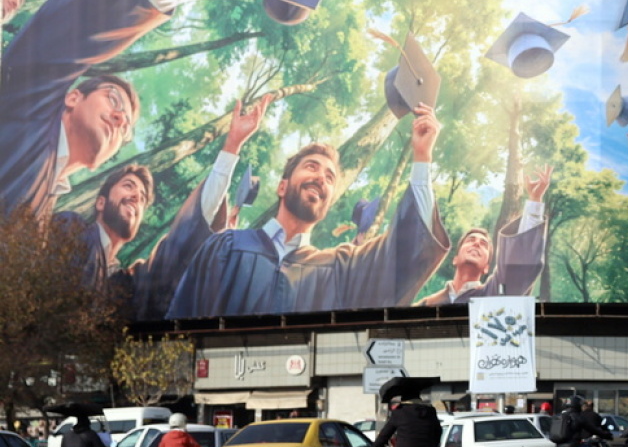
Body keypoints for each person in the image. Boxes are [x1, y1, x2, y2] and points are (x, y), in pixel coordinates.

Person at [0, 0, 271, 228]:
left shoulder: (41, 222)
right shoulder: (26, 104)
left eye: (126, 129)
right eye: (113, 100)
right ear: (72, 97)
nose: (119, 119)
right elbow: (83, 19)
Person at [166, 104, 452, 318]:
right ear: (282, 186)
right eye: (311, 167)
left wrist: (422, 158)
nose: (320, 178)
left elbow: (405, 253)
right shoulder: (225, 247)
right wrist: (231, 146)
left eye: (330, 177)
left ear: (326, 208)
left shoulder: (341, 268)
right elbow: (181, 314)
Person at [54, 95, 269, 320]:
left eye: (142, 198)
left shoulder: (130, 286)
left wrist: (232, 145)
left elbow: (177, 247)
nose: (136, 197)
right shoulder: (70, 229)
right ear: (101, 202)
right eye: (128, 186)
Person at [414, 165, 553, 306]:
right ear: (455, 259)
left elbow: (520, 265)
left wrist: (535, 199)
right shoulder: (427, 304)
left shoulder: (494, 295)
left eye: (484, 244)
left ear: (486, 267)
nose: (476, 243)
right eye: (470, 240)